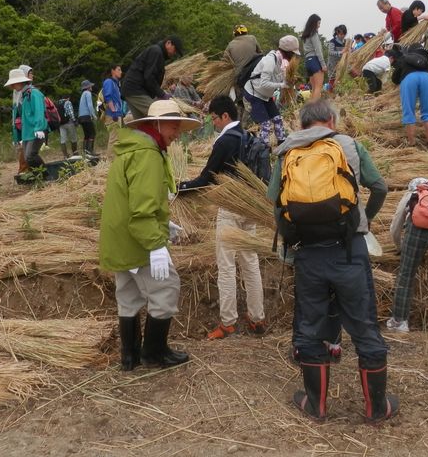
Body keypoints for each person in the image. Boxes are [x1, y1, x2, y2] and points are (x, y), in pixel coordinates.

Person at [268, 99, 396, 423]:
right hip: (349, 249)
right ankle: (376, 408)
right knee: (364, 326)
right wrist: (364, 220)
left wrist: (291, 242)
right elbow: (379, 187)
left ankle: (317, 405)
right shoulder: (349, 145)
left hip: (308, 253)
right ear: (330, 120)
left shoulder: (286, 151)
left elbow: (275, 203)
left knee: (310, 327)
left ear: (302, 124)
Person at [99, 99, 201, 371]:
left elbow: (133, 200)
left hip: (120, 238)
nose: (177, 133)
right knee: (166, 287)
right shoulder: (148, 155)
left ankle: (129, 356)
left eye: (179, 127)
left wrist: (164, 224)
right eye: (173, 126)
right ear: (156, 124)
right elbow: (142, 210)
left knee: (128, 294)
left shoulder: (131, 149)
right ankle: (154, 353)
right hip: (137, 238)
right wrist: (156, 245)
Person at [177, 95, 266, 339]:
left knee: (226, 266)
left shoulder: (225, 141)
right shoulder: (248, 136)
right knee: (250, 263)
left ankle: (228, 323)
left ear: (225, 115)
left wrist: (180, 188)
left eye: (215, 118)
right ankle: (257, 318)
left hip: (230, 209)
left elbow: (206, 178)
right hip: (251, 208)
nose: (213, 122)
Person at [386, 177, 428, 333]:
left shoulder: (411, 195)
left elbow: (396, 226)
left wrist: (399, 246)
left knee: (406, 275)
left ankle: (399, 321)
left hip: (418, 232)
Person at [243, 35, 299, 145]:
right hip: (254, 94)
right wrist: (282, 85)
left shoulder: (281, 62)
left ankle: (282, 144)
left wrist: (290, 80)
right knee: (266, 124)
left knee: (278, 119)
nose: (293, 57)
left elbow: (278, 78)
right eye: (293, 53)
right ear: (287, 51)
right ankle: (263, 149)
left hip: (265, 96)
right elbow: (264, 83)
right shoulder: (270, 60)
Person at [122, 36, 184, 119]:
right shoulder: (156, 51)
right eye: (175, 50)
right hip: (135, 90)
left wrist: (157, 94)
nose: (174, 53)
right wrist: (162, 94)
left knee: (143, 122)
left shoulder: (158, 53)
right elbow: (149, 77)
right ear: (168, 43)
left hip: (132, 89)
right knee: (160, 114)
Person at [390, 46, 428, 147]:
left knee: (409, 111)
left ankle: (412, 143)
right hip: (427, 78)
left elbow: (394, 78)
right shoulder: (426, 59)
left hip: (409, 78)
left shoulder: (405, 58)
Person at [5, 68, 47, 170]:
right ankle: (38, 175)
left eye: (14, 83)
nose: (12, 86)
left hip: (36, 130)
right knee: (27, 158)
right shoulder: (23, 96)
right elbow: (20, 118)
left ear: (20, 82)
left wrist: (39, 128)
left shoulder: (34, 93)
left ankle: (47, 175)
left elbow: (39, 111)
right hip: (27, 132)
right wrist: (17, 137)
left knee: (30, 155)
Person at [302, 14, 326, 101]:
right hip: (315, 60)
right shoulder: (314, 34)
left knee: (314, 88)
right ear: (314, 23)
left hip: (308, 61)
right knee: (318, 88)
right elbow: (318, 50)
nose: (319, 25)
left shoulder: (305, 35)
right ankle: (315, 108)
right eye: (318, 23)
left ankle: (311, 107)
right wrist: (323, 64)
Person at [102, 64, 125, 146]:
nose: (121, 72)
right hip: (112, 115)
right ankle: (110, 155)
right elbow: (108, 97)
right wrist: (114, 111)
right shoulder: (109, 82)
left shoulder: (116, 83)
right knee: (114, 139)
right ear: (113, 71)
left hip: (117, 114)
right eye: (119, 70)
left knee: (117, 139)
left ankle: (113, 155)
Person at [77, 79, 98, 156]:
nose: (91, 87)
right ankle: (90, 152)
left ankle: (85, 152)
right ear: (88, 87)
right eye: (90, 86)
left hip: (81, 117)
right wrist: (93, 115)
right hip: (86, 116)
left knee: (87, 134)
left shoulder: (83, 94)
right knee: (92, 133)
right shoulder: (88, 93)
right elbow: (90, 105)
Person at [56, 93, 79, 158]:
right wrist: (74, 120)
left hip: (61, 124)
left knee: (63, 140)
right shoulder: (68, 102)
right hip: (69, 123)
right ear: (68, 98)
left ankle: (65, 155)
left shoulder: (57, 103)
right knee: (73, 137)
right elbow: (71, 113)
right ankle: (75, 153)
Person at [327, 25, 347, 90]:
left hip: (341, 64)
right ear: (337, 33)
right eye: (340, 34)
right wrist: (341, 52)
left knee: (341, 79)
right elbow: (330, 52)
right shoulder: (333, 41)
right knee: (332, 78)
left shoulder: (345, 42)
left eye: (344, 34)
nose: (342, 36)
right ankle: (330, 93)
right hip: (332, 64)